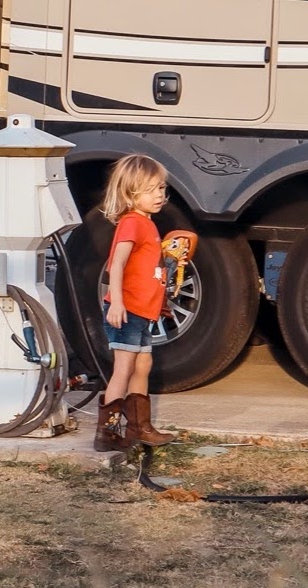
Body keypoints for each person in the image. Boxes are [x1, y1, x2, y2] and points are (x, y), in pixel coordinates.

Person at [93, 154, 178, 451]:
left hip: (143, 311)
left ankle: (139, 427)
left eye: (161, 188)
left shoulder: (147, 224)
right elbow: (116, 265)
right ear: (131, 194)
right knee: (124, 369)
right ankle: (107, 432)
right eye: (152, 189)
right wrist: (117, 303)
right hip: (127, 310)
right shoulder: (131, 224)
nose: (160, 195)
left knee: (143, 365)